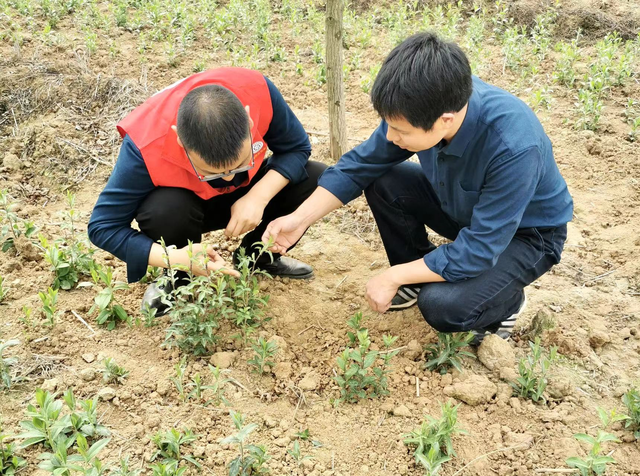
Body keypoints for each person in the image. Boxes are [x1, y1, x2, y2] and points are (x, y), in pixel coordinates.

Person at [263, 33, 573, 344]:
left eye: (399, 130)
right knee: (383, 178)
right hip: (460, 205)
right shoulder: (425, 100)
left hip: (526, 234)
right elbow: (359, 166)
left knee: (442, 306)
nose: (391, 137)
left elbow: (479, 249)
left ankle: (505, 303)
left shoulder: (514, 146)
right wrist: (299, 219)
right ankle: (419, 271)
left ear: (445, 121)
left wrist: (393, 275)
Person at [88, 67, 325, 314]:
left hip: (247, 196)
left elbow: (296, 148)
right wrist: (175, 258)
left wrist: (258, 196)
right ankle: (179, 278)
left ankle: (258, 259)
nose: (230, 178)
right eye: (212, 172)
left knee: (316, 178)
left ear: (249, 120)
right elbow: (103, 226)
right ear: (180, 140)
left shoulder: (259, 92)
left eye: (241, 163)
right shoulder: (146, 143)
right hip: (186, 207)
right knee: (163, 209)